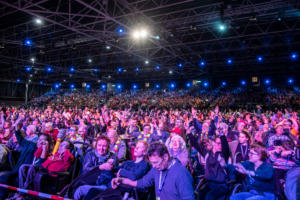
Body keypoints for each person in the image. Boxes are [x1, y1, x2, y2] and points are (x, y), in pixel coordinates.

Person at [111, 142, 195, 200]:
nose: (153, 166)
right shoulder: (157, 169)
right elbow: (143, 183)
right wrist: (122, 180)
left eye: (156, 162)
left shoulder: (181, 174)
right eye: (152, 163)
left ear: (165, 157)